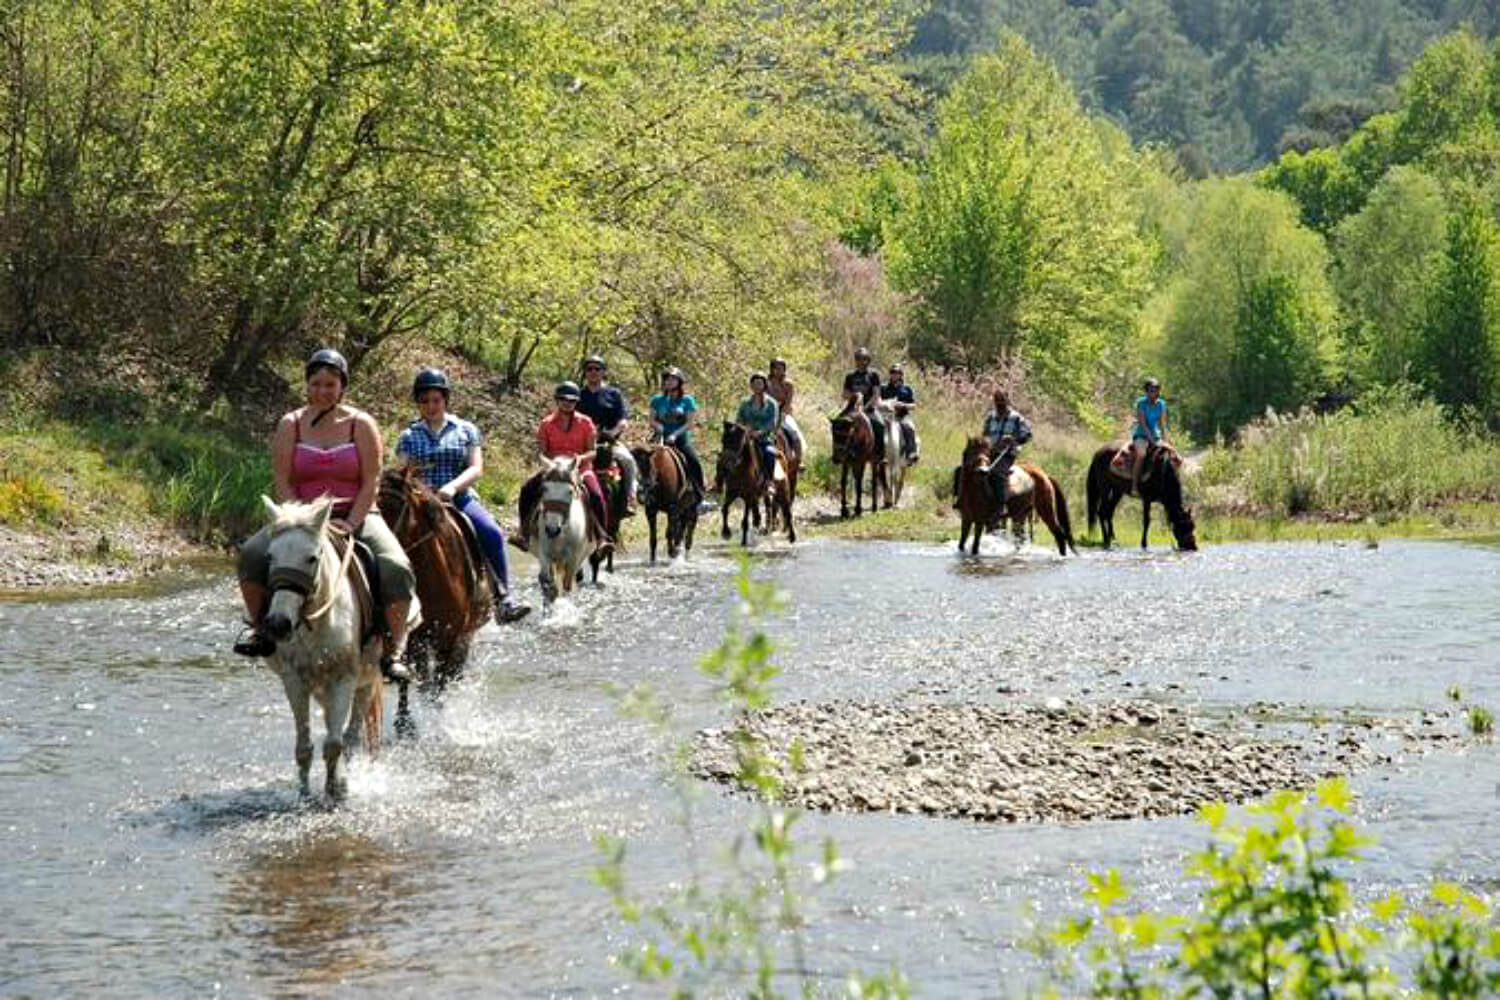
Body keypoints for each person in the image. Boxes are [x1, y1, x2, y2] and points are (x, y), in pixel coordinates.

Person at [234, 348, 415, 682]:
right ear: (307, 385)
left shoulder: (361, 424)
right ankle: (259, 628)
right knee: (252, 554)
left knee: (396, 565)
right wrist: (299, 521)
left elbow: (372, 479)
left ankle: (396, 648)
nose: (322, 391)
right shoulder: (291, 424)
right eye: (316, 383)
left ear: (342, 387)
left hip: (355, 512)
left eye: (330, 384)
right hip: (300, 518)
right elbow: (283, 480)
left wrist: (352, 521)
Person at [395, 368, 530, 624]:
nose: (431, 406)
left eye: (436, 400)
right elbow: (402, 472)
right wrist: (421, 491)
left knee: (490, 532)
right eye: (424, 401)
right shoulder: (409, 436)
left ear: (445, 400)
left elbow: (476, 468)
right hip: (422, 502)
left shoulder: (465, 430)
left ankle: (504, 598)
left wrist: (452, 488)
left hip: (459, 498)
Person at [516, 381, 612, 549]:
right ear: (557, 400)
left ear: (576, 403)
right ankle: (524, 533)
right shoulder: (546, 423)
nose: (568, 403)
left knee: (597, 495)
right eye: (564, 399)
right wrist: (548, 463)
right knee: (527, 489)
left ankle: (602, 537)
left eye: (572, 401)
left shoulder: (586, 423)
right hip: (553, 470)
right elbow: (541, 452)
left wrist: (580, 459)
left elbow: (592, 452)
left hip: (579, 470)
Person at [952, 387, 1032, 528]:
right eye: (996, 400)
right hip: (989, 452)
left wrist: (1014, 439)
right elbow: (985, 434)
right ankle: (961, 501)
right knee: (962, 469)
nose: (999, 403)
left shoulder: (1017, 418)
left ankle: (1000, 508)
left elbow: (1027, 435)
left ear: (1007, 400)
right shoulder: (991, 417)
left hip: (1007, 454)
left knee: (995, 473)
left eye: (1001, 400)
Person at [577, 354, 638, 517]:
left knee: (628, 461)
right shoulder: (578, 395)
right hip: (582, 443)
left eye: (597, 369)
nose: (593, 372)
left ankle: (629, 499)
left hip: (609, 441)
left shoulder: (613, 393)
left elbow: (623, 420)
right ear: (585, 372)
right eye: (589, 369)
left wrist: (611, 433)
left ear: (603, 372)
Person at [649, 367, 709, 503]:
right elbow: (651, 419)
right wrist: (659, 427)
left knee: (694, 462)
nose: (669, 382)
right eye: (667, 379)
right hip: (660, 438)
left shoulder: (687, 400)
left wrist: (675, 434)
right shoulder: (657, 400)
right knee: (643, 459)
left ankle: (700, 497)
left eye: (673, 379)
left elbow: (689, 423)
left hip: (680, 439)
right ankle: (643, 492)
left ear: (679, 382)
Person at [734, 373, 781, 490]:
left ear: (765, 385)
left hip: (764, 438)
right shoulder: (745, 403)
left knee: (770, 453)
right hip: (746, 438)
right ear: (751, 385)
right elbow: (739, 419)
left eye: (760, 384)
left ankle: (769, 481)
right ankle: (723, 482)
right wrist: (745, 429)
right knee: (728, 453)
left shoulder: (771, 404)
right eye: (754, 384)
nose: (757, 386)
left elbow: (772, 423)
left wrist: (759, 432)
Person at [1131, 377, 1169, 496]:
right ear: (1146, 392)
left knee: (1171, 456)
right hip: (1142, 434)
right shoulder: (1141, 403)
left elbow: (1163, 424)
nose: (1154, 393)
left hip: (1155, 434)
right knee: (1141, 455)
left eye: (1156, 390)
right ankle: (1134, 486)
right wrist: (1152, 440)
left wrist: (1166, 441)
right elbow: (1143, 423)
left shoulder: (1161, 404)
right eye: (1151, 390)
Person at [841, 345, 886, 442]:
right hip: (852, 410)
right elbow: (844, 394)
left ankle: (879, 455)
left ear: (868, 361)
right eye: (858, 359)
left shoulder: (874, 375)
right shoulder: (850, 376)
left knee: (880, 425)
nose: (861, 362)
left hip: (869, 410)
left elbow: (876, 394)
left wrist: (865, 408)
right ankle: (838, 453)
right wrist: (855, 396)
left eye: (864, 359)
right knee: (838, 423)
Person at [879, 363, 920, 464]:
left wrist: (903, 405)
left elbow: (913, 405)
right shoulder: (883, 388)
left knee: (909, 427)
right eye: (892, 372)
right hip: (886, 416)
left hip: (902, 416)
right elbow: (878, 401)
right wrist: (887, 403)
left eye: (897, 372)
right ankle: (879, 454)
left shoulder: (907, 389)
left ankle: (911, 453)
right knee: (878, 428)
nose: (894, 375)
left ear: (901, 375)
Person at [766, 357, 803, 463]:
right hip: (767, 413)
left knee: (794, 433)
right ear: (771, 369)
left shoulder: (788, 385)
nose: (779, 371)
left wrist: (780, 417)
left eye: (781, 368)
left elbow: (787, 404)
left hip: (783, 414)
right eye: (776, 368)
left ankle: (798, 460)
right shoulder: (766, 383)